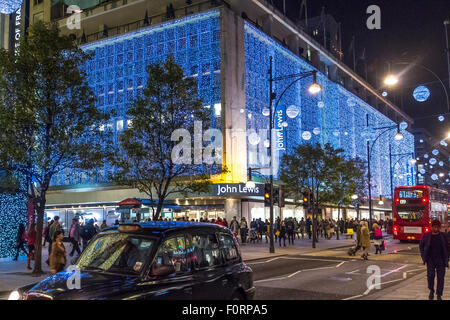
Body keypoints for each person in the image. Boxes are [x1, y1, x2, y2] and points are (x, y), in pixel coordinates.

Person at [419, 219, 449, 300]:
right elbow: (421, 246)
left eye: (437, 227)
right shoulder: (426, 236)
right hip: (431, 260)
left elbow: (448, 246)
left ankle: (439, 294)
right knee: (430, 276)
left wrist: (447, 257)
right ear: (431, 227)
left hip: (441, 260)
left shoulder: (444, 236)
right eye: (434, 227)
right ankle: (431, 290)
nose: (435, 229)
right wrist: (423, 256)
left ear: (439, 227)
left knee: (441, 278)